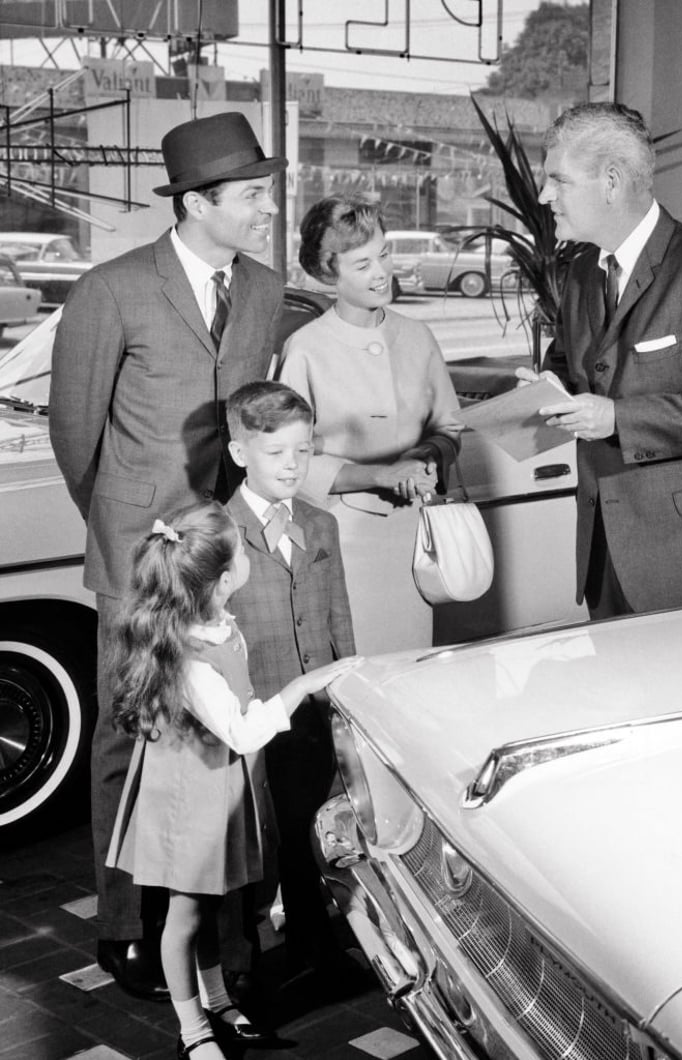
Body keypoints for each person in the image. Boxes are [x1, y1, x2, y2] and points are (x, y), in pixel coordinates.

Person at [49, 111, 299, 1000]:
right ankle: (127, 925)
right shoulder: (110, 289)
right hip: (136, 553)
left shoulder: (264, 289)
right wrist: (124, 526)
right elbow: (74, 435)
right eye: (252, 195)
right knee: (128, 736)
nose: (267, 208)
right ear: (197, 204)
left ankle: (224, 918)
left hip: (223, 548)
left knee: (224, 731)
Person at [105, 502, 359, 1059]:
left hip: (219, 786)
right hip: (191, 800)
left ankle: (216, 1000)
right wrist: (303, 685)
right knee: (187, 913)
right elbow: (243, 732)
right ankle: (192, 1028)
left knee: (218, 902)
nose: (249, 555)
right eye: (243, 552)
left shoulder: (215, 622)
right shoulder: (192, 657)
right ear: (223, 581)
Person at [521, 102, 682, 619]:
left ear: (611, 181)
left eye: (558, 180)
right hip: (605, 551)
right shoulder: (582, 274)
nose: (546, 196)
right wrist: (545, 388)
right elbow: (573, 368)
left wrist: (616, 418)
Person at [224, 381, 361, 998]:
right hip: (252, 717)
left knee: (312, 829)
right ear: (238, 453)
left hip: (312, 714)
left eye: (303, 452)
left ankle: (316, 944)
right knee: (259, 844)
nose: (291, 465)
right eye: (276, 452)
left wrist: (348, 695)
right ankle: (243, 961)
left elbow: (338, 620)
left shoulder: (320, 523)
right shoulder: (217, 534)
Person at [278, 195, 462, 653]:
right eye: (362, 265)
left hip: (418, 537)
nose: (381, 272)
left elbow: (449, 428)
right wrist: (380, 475)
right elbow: (289, 458)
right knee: (355, 676)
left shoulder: (418, 336)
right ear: (327, 273)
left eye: (384, 254)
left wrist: (422, 459)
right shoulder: (305, 349)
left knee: (414, 670)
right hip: (339, 542)